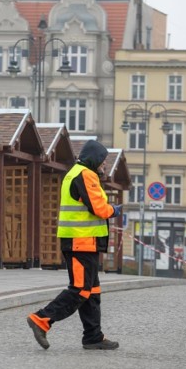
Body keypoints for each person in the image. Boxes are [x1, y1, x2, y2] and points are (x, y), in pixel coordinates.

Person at [26, 139, 122, 350]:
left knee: (92, 291)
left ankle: (93, 336)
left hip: (85, 242)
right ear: (94, 159)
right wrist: (114, 210)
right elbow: (99, 207)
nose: (104, 165)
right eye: (103, 161)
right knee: (80, 290)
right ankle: (42, 319)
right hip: (81, 242)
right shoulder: (85, 174)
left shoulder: (77, 172)